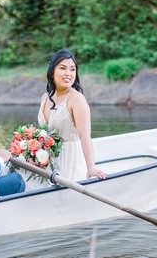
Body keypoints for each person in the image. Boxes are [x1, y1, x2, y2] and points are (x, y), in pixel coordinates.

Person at [38, 49, 107, 181]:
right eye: (63, 68)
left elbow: (85, 136)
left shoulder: (77, 99)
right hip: (47, 163)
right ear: (52, 72)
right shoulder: (45, 98)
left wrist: (91, 166)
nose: (68, 74)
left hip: (70, 161)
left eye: (72, 69)